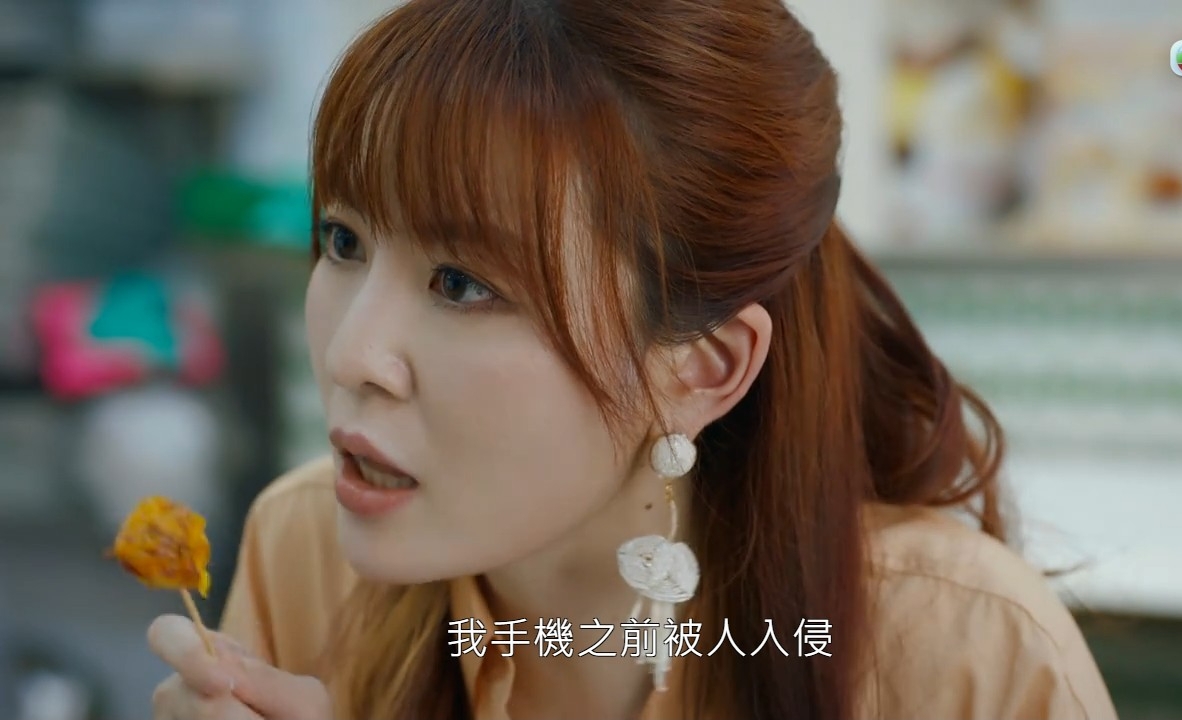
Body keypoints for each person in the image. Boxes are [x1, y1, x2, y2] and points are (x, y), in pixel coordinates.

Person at [147, 0, 1118, 718]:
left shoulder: (960, 646)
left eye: (461, 284)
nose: (352, 354)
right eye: (343, 239)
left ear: (699, 370)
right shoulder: (306, 548)